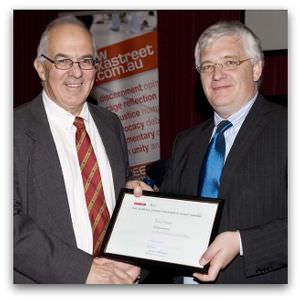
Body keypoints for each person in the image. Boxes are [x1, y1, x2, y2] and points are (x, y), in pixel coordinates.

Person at [14, 15, 150, 284]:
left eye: (86, 60)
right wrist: (83, 271)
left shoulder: (111, 124)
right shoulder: (12, 130)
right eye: (63, 60)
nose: (76, 72)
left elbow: (115, 195)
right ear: (41, 68)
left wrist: (138, 198)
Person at [157, 21, 287, 284]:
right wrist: (144, 200)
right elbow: (167, 215)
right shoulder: (186, 142)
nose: (217, 74)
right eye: (207, 66)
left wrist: (242, 242)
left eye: (229, 62)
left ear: (256, 68)